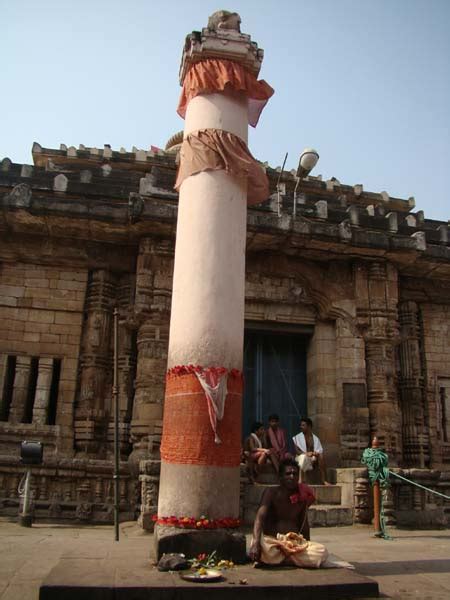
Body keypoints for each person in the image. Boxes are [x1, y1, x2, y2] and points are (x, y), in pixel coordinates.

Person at [248, 458, 328, 567]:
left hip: (294, 545)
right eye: (288, 474)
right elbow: (259, 517)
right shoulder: (271, 493)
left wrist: (305, 546)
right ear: (280, 477)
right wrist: (256, 543)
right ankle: (291, 560)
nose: (292, 477)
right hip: (274, 543)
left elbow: (304, 525)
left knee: (321, 551)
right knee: (258, 544)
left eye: (295, 474)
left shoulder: (302, 497)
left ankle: (282, 560)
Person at [292, 417, 330, 485]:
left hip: (312, 459)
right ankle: (300, 480)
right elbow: (297, 451)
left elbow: (319, 450)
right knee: (303, 457)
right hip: (300, 457)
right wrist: (306, 453)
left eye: (303, 425)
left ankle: (324, 480)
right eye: (301, 425)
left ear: (309, 426)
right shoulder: (297, 437)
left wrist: (315, 453)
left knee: (321, 456)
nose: (301, 427)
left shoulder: (315, 438)